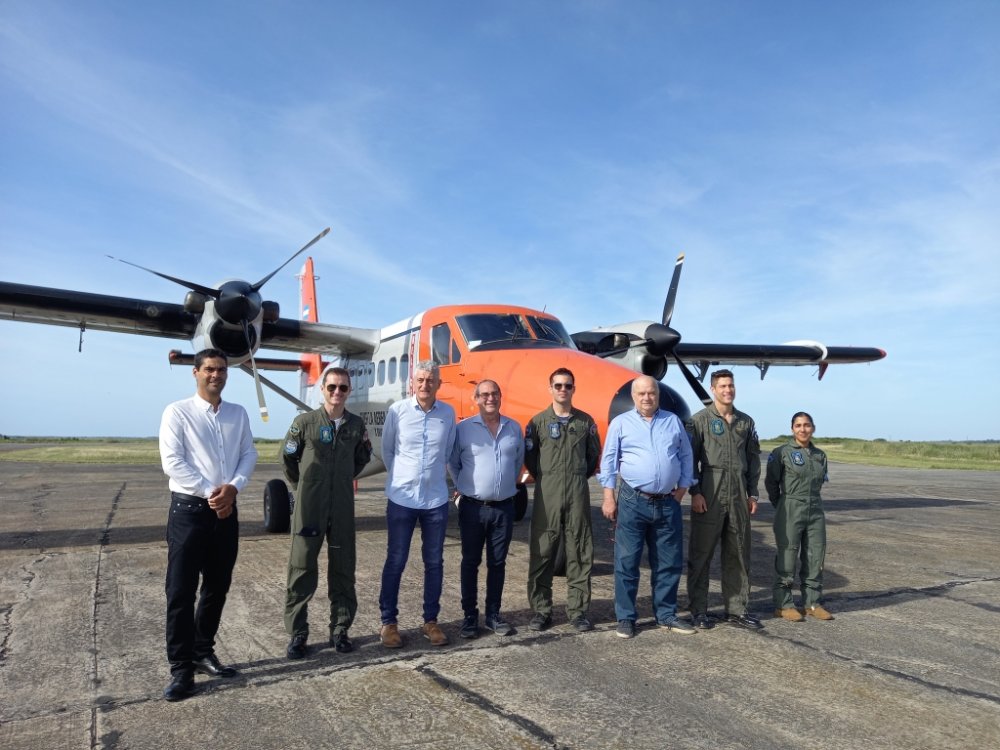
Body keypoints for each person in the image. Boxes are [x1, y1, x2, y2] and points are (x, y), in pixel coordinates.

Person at [158, 348, 257, 702]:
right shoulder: (177, 412)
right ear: (196, 372)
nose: (217, 375)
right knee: (181, 591)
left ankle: (203, 650)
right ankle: (181, 669)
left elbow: (249, 454)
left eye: (222, 370)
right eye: (210, 369)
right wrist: (210, 491)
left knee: (217, 586)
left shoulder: (237, 414)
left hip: (226, 511)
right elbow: (172, 460)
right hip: (188, 511)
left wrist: (233, 488)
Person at [281, 367, 372, 660]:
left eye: (343, 388)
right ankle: (298, 634)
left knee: (343, 568)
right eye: (332, 387)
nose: (337, 393)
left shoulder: (356, 426)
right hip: (310, 508)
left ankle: (340, 630)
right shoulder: (304, 423)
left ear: (348, 391)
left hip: (342, 507)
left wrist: (340, 482)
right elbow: (289, 459)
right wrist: (307, 487)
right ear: (322, 389)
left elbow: (361, 458)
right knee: (301, 568)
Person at [600, 376, 697, 639]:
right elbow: (608, 461)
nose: (647, 398)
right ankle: (626, 617)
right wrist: (609, 497)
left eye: (651, 393)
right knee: (627, 561)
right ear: (634, 397)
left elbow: (686, 455)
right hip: (633, 501)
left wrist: (683, 488)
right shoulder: (621, 423)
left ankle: (666, 614)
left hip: (668, 503)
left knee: (668, 562)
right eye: (641, 393)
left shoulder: (672, 421)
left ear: (658, 395)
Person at [378, 361, 457, 648]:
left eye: (430, 380)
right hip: (402, 498)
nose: (425, 385)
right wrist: (402, 477)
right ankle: (388, 623)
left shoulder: (448, 414)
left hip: (435, 499)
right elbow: (388, 450)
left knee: (434, 562)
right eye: (420, 380)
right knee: (396, 560)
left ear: (438, 384)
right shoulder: (397, 411)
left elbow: (447, 450)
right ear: (413, 383)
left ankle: (431, 621)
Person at [524, 367, 601, 632]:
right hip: (548, 493)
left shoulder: (585, 422)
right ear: (550, 389)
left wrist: (576, 477)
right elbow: (531, 460)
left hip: (577, 492)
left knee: (579, 551)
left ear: (573, 389)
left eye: (567, 386)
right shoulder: (537, 423)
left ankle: (578, 611)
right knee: (543, 551)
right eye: (558, 385)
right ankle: (541, 611)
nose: (563, 390)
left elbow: (593, 458)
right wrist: (549, 478)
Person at [685, 369, 763, 631]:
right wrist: (695, 492)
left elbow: (752, 460)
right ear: (713, 389)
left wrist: (752, 493)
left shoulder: (746, 422)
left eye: (731, 385)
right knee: (701, 554)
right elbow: (689, 461)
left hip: (738, 492)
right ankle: (698, 610)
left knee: (739, 553)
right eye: (722, 386)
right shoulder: (700, 421)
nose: (728, 390)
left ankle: (737, 609)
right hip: (711, 490)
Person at [449, 379, 524, 639]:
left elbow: (517, 464)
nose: (490, 398)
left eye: (494, 393)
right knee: (470, 562)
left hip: (504, 509)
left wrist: (501, 488)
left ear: (501, 396)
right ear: (476, 399)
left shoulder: (514, 428)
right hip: (472, 508)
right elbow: (454, 463)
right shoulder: (463, 429)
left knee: (498, 563)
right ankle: (470, 617)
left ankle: (493, 615)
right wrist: (465, 486)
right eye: (484, 395)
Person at [765, 411, 833, 622]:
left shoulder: (820, 455)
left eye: (807, 425)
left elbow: (821, 481)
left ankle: (813, 603)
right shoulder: (781, 452)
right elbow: (771, 483)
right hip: (791, 507)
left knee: (815, 556)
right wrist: (784, 505)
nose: (803, 429)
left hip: (815, 508)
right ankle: (783, 605)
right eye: (798, 425)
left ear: (812, 428)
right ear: (792, 429)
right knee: (787, 556)